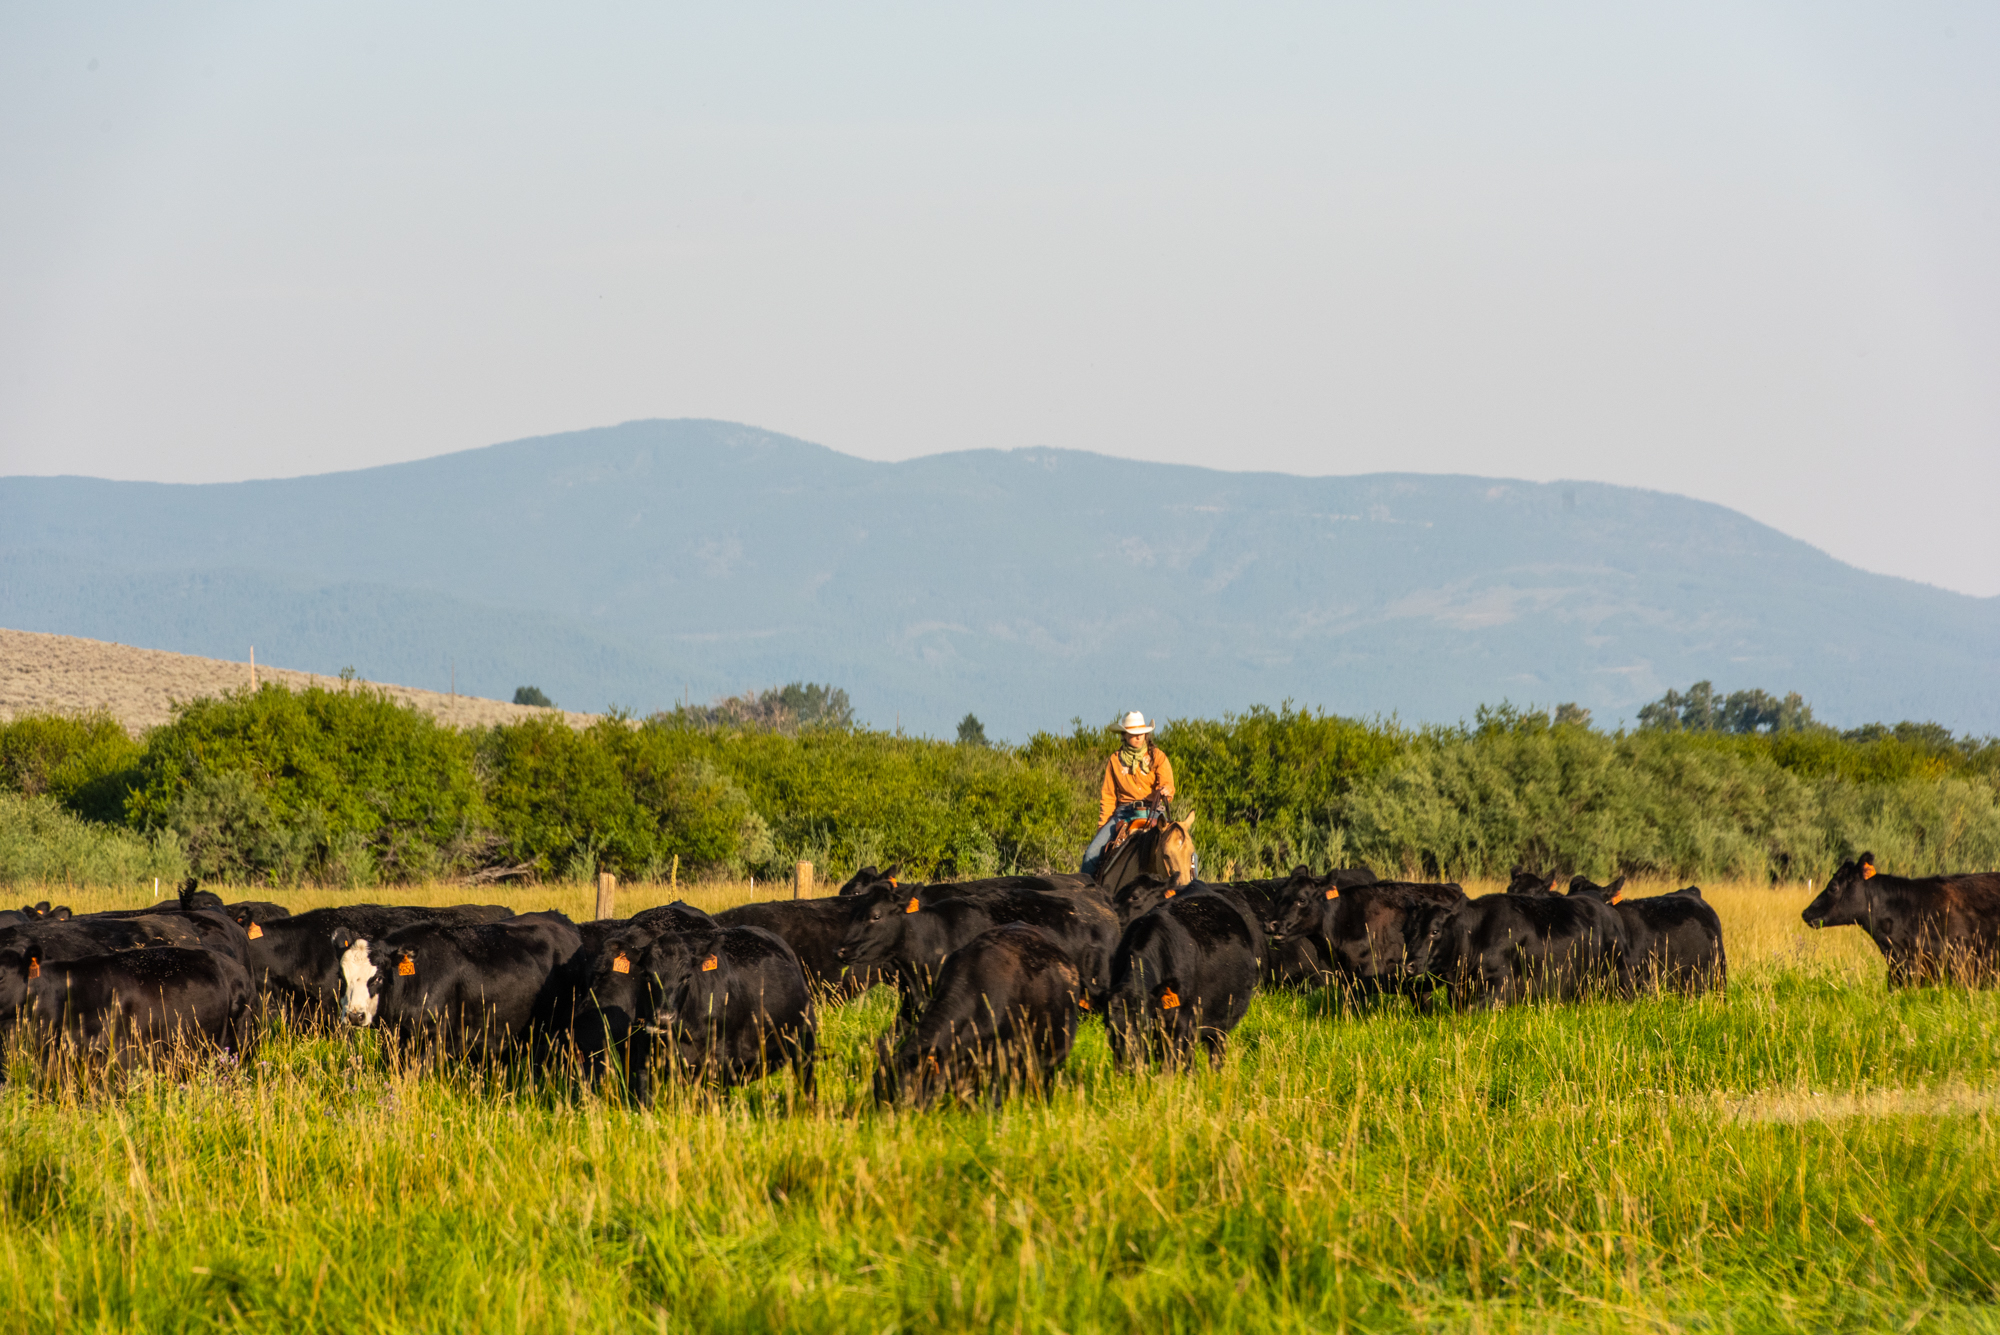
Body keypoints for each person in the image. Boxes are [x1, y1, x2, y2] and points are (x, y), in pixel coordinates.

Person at [1080, 711, 1176, 875]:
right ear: (1124, 735)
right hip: (1124, 813)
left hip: (1154, 813)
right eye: (1133, 734)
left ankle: (1189, 894)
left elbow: (1167, 784)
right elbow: (1108, 797)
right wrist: (1102, 827)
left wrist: (1165, 790)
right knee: (1091, 855)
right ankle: (1086, 895)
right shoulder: (1115, 760)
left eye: (1141, 733)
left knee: (1187, 853)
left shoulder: (1158, 757)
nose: (1139, 737)